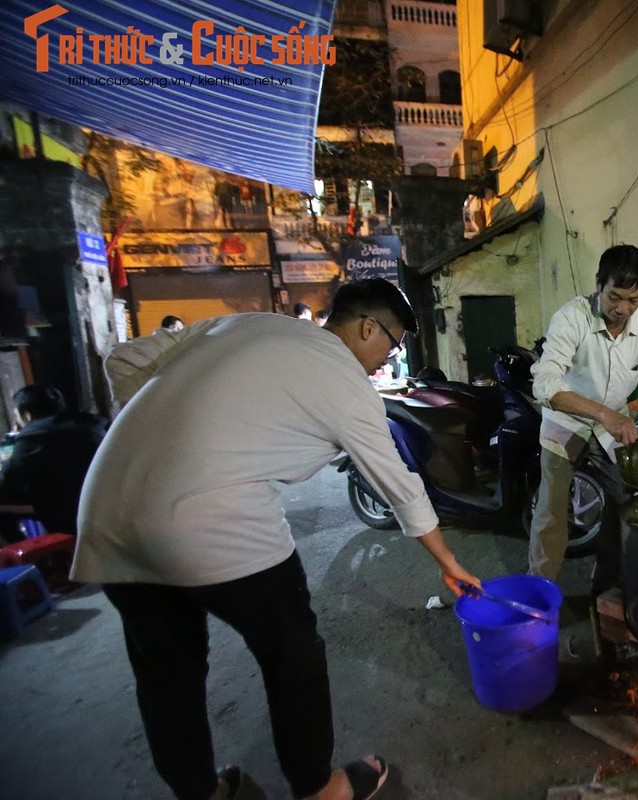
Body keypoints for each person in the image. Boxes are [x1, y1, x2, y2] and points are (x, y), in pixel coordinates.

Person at [72, 278, 481, 800]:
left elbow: (125, 361)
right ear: (367, 327)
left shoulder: (248, 324)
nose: (388, 357)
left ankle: (199, 792)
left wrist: (162, 442)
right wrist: (446, 560)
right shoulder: (345, 379)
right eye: (393, 344)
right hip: (213, 519)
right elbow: (398, 482)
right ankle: (320, 787)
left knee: (166, 672)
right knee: (293, 651)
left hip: (107, 509)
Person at [528, 244, 638, 594]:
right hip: (566, 423)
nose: (622, 309)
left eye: (633, 300)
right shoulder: (572, 317)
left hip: (611, 428)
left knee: (625, 504)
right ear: (598, 285)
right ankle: (539, 596)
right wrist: (605, 414)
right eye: (614, 297)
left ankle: (607, 587)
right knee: (551, 513)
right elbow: (545, 384)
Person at [0, 384, 107, 542]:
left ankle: (37, 560)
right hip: (104, 503)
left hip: (67, 511)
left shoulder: (35, 438)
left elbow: (5, 485)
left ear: (27, 415)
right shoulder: (93, 425)